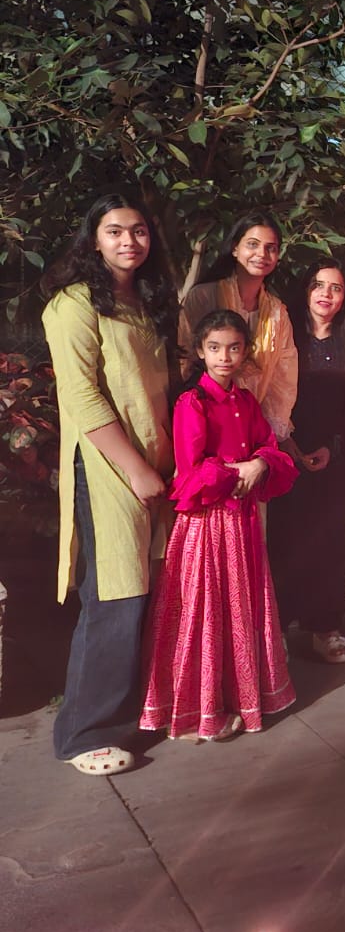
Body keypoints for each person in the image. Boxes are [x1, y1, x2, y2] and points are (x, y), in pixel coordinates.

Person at [41, 193, 177, 775]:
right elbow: (81, 395)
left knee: (149, 589)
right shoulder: (73, 304)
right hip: (106, 466)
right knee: (115, 594)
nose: (129, 241)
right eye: (115, 230)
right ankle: (82, 733)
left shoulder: (143, 301)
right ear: (93, 240)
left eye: (138, 230)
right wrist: (136, 469)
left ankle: (136, 712)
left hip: (155, 463)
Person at [141, 310, 297, 740]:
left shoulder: (245, 401)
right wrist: (236, 471)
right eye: (214, 348)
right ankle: (201, 711)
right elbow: (191, 471)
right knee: (205, 609)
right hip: (207, 521)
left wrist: (260, 463)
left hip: (241, 520)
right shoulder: (192, 402)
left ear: (245, 351)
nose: (224, 357)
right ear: (200, 351)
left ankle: (239, 699)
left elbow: (268, 445)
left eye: (233, 348)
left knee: (238, 607)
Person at [268, 261, 345, 664]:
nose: (326, 294)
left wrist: (333, 447)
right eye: (318, 285)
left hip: (333, 458)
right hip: (285, 452)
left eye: (335, 288)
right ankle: (278, 629)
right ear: (305, 291)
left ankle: (325, 627)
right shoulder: (285, 337)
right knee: (285, 541)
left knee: (330, 541)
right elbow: (270, 393)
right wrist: (288, 444)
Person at [179, 211, 298, 441]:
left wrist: (271, 433)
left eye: (271, 248)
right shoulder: (203, 297)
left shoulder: (277, 313)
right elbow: (185, 361)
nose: (261, 254)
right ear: (235, 248)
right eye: (252, 244)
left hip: (254, 426)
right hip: (206, 421)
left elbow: (283, 378)